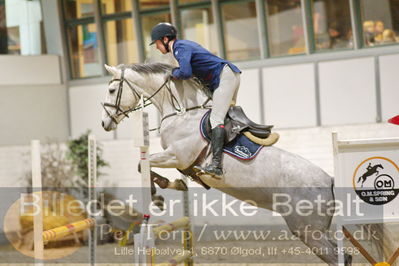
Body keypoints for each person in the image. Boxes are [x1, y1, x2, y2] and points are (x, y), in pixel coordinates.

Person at [149, 22, 242, 179]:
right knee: (214, 114)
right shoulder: (181, 47)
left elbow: (185, 72)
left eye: (157, 43)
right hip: (224, 77)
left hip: (225, 77)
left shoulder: (179, 48)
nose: (157, 47)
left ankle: (217, 165)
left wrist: (171, 73)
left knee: (216, 118)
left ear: (165, 39)